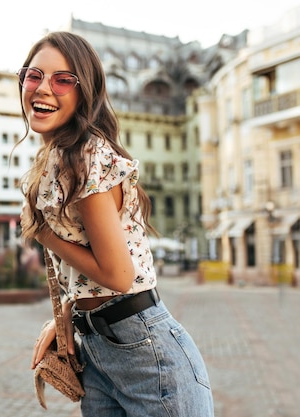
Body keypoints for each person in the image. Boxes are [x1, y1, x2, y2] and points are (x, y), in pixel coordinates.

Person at [16, 31, 214, 416]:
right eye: (34, 75)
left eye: (62, 80)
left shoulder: (88, 157)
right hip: (99, 348)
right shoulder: (57, 157)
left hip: (145, 352)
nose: (42, 88)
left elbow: (119, 275)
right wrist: (68, 317)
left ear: (84, 91)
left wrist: (41, 233)